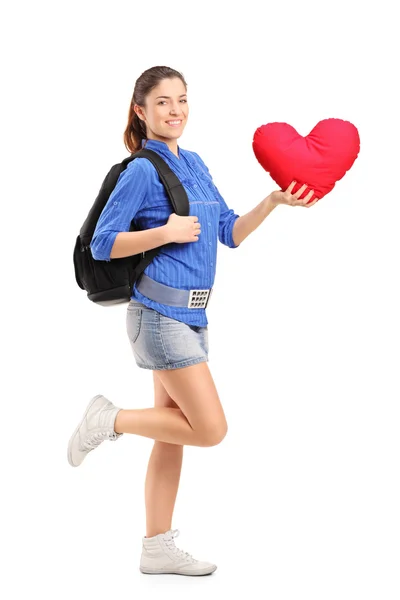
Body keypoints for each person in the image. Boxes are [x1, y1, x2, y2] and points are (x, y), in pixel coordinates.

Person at [67, 65, 317, 576]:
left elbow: (229, 232)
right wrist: (165, 231)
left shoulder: (196, 161)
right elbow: (103, 242)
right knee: (209, 429)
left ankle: (156, 546)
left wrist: (272, 201)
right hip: (158, 316)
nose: (175, 110)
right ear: (141, 110)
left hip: (194, 316)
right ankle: (108, 419)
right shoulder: (141, 169)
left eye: (182, 99)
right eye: (162, 102)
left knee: (173, 434)